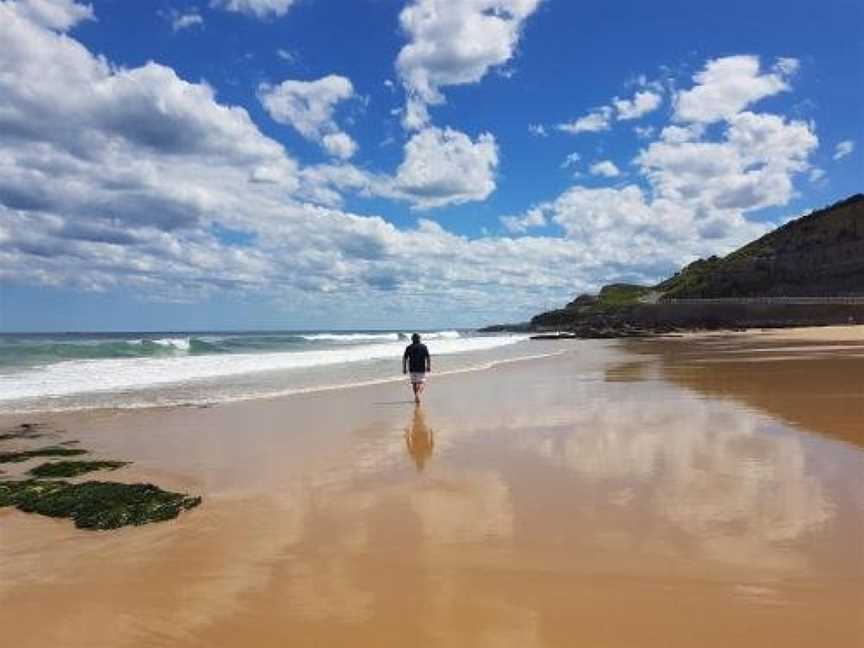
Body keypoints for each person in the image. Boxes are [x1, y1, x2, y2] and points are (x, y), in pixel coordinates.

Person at [402, 333, 431, 404]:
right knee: (421, 383)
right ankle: (417, 395)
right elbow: (428, 357)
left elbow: (404, 358)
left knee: (414, 383)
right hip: (421, 368)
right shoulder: (424, 347)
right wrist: (428, 366)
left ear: (412, 339)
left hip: (412, 368)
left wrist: (404, 368)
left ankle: (416, 396)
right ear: (419, 339)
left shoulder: (409, 347)